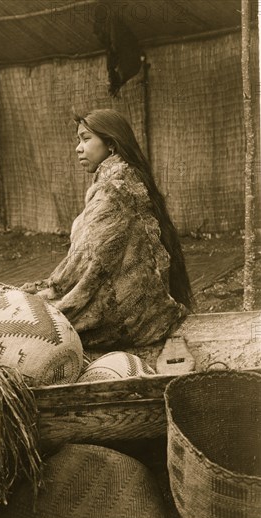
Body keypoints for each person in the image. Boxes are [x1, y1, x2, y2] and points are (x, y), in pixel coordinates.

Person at [21, 109, 193, 349]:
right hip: (140, 307)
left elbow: (89, 259)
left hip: (128, 316)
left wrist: (51, 289)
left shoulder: (115, 188)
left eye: (86, 138)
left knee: (28, 319)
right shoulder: (124, 178)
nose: (78, 148)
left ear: (111, 144)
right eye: (78, 140)